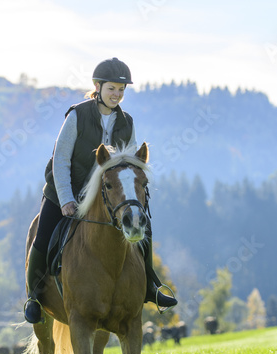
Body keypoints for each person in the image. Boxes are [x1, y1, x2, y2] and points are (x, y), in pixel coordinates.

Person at [24, 57, 177, 323]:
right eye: (112, 88)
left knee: (144, 228)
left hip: (107, 197)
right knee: (43, 233)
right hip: (65, 192)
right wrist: (66, 200)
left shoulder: (127, 122)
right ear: (97, 86)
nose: (117, 94)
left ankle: (151, 286)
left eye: (121, 90)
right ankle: (34, 296)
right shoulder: (77, 115)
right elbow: (61, 160)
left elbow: (130, 163)